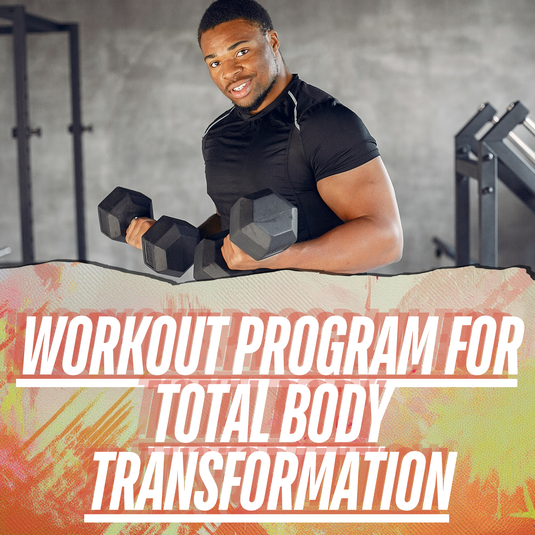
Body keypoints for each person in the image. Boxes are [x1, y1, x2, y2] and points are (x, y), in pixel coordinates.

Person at [126, 0, 403, 275]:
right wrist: (172, 240)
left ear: (272, 41)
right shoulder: (217, 135)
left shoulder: (322, 122)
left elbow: (385, 240)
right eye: (215, 62)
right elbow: (235, 223)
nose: (229, 72)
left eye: (242, 52)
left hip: (319, 312)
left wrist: (280, 258)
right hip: (245, 313)